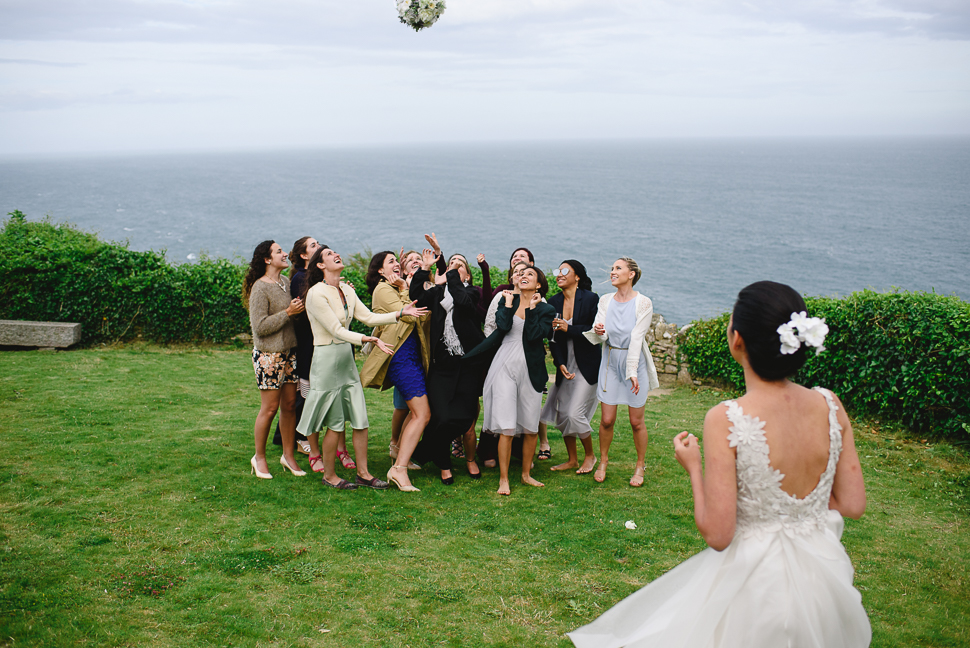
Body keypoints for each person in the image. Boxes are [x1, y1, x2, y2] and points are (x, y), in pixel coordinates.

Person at [568, 280, 870, 648]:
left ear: (736, 340)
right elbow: (852, 504)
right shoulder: (831, 405)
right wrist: (799, 514)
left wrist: (694, 467)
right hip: (823, 577)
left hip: (756, 585)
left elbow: (719, 534)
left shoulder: (726, 417)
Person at [297, 245, 428, 490]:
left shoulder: (346, 289)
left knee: (360, 418)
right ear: (320, 265)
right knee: (335, 423)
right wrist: (366, 339)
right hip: (326, 361)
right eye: (328, 254)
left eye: (336, 252)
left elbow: (367, 317)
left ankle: (363, 473)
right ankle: (330, 475)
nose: (336, 254)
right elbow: (335, 330)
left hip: (346, 360)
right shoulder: (316, 293)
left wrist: (400, 312)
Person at [469, 266, 556, 495]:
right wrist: (508, 305)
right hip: (504, 365)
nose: (524, 276)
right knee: (506, 426)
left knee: (530, 426)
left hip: (531, 368)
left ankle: (526, 474)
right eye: (521, 273)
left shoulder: (547, 309)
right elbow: (504, 326)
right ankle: (504, 479)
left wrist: (534, 308)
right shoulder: (505, 300)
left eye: (530, 275)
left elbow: (536, 335)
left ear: (538, 285)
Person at [408, 247, 486, 485]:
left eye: (460, 264)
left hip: (467, 366)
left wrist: (451, 275)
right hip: (442, 366)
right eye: (452, 262)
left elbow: (463, 302)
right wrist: (426, 269)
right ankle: (444, 464)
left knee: (463, 418)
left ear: (467, 275)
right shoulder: (436, 293)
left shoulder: (472, 293)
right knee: (440, 418)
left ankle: (423, 453)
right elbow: (416, 296)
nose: (454, 265)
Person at [583, 257, 660, 487]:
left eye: (618, 268)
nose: (613, 272)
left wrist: (632, 371)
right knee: (607, 420)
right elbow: (600, 333)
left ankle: (640, 466)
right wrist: (598, 331)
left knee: (636, 422)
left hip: (634, 363)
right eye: (612, 269)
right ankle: (603, 461)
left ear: (631, 274)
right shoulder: (605, 300)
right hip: (609, 363)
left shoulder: (644, 303)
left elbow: (637, 338)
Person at [359, 251, 431, 492]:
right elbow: (409, 315)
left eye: (395, 260)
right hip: (399, 357)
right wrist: (403, 287)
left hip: (411, 356)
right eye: (390, 262)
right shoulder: (382, 289)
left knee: (416, 412)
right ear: (380, 271)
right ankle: (398, 469)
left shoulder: (397, 286)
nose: (396, 265)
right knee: (422, 414)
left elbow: (419, 313)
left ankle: (402, 458)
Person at [243, 240, 306, 479]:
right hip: (269, 356)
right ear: (267, 259)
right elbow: (259, 328)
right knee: (269, 409)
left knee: (289, 406)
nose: (285, 254)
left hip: (290, 352)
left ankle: (288, 456)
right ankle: (259, 458)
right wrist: (288, 312)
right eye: (279, 251)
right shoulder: (260, 288)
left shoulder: (286, 282)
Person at [542, 260, 601, 474]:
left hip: (587, 363)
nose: (559, 274)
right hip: (565, 364)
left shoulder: (591, 299)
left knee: (576, 413)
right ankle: (572, 459)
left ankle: (590, 456)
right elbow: (553, 338)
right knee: (563, 413)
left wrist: (570, 328)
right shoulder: (553, 301)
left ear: (577, 276)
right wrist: (560, 364)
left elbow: (594, 331)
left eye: (564, 270)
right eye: (558, 270)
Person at [272, 236, 319, 456]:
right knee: (304, 391)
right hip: (307, 341)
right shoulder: (302, 278)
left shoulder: (310, 276)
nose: (318, 247)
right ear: (303, 255)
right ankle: (297, 437)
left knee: (304, 390)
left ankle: (282, 435)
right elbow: (309, 310)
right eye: (313, 245)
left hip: (311, 340)